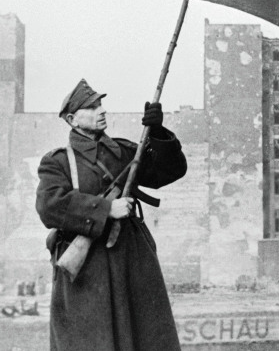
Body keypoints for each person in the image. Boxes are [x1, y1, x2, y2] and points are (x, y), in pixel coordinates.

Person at [36, 79, 188, 351]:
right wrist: (106, 209)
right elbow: (49, 206)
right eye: (91, 107)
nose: (101, 110)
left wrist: (157, 132)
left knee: (145, 337)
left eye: (100, 104)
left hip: (131, 260)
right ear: (72, 119)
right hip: (88, 269)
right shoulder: (58, 161)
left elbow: (168, 172)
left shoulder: (125, 152)